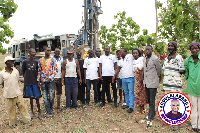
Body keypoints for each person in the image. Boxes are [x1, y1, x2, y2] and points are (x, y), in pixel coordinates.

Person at [0, 56, 31, 128]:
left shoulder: (16, 71)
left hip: (17, 93)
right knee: (11, 109)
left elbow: (16, 80)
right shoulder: (2, 73)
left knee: (22, 107)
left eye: (13, 61)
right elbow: (2, 83)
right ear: (6, 62)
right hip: (8, 94)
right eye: (10, 61)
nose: (12, 62)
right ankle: (13, 123)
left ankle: (27, 120)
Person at [142, 45, 162, 127]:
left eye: (149, 49)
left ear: (152, 50)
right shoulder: (144, 59)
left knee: (152, 100)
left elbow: (159, 70)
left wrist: (155, 78)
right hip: (146, 82)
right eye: (146, 50)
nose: (147, 51)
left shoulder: (155, 59)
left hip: (153, 82)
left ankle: (150, 116)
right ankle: (153, 113)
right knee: (149, 99)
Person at [37, 47, 58, 118]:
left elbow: (56, 70)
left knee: (51, 96)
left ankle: (51, 108)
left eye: (50, 51)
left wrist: (51, 77)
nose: (49, 52)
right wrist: (38, 81)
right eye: (47, 50)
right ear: (44, 51)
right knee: (45, 97)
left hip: (51, 81)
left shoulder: (53, 60)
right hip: (43, 81)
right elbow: (39, 71)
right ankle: (48, 112)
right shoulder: (40, 60)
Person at [112, 48, 135, 113]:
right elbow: (118, 69)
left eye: (121, 52)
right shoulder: (120, 60)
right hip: (124, 78)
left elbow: (137, 56)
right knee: (126, 92)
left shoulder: (130, 56)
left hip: (130, 78)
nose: (119, 54)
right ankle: (127, 104)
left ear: (125, 52)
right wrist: (114, 76)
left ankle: (131, 107)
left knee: (131, 93)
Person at [184, 42, 200, 132]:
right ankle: (194, 125)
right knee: (194, 107)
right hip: (191, 87)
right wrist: (183, 71)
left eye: (196, 48)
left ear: (199, 49)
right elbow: (186, 73)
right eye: (192, 49)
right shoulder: (187, 60)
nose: (194, 50)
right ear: (190, 50)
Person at [22, 48, 42, 119]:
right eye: (32, 52)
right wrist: (26, 80)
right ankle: (32, 112)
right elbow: (23, 72)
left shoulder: (36, 62)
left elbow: (38, 72)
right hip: (28, 83)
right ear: (29, 53)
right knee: (31, 98)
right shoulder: (25, 62)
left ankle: (39, 112)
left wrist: (38, 81)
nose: (34, 53)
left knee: (37, 98)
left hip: (35, 82)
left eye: (35, 52)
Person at [132, 48, 148, 114]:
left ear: (139, 53)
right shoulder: (134, 61)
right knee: (138, 92)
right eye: (134, 53)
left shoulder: (141, 59)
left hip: (140, 77)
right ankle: (141, 107)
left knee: (141, 92)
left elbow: (144, 67)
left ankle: (141, 108)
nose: (135, 54)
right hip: (136, 77)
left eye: (136, 53)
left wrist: (142, 77)